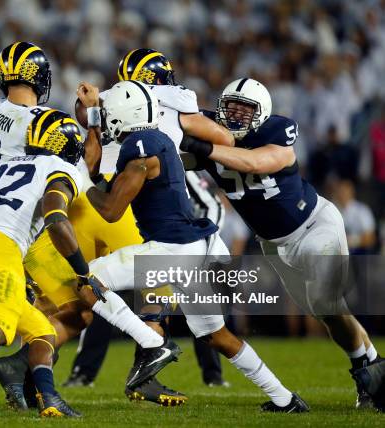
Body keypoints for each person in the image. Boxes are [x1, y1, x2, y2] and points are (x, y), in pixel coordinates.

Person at [81, 79, 308, 412]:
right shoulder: (155, 139)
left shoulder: (140, 148)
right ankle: (284, 398)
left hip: (171, 250)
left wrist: (82, 180)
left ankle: (152, 344)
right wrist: (93, 120)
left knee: (87, 282)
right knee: (216, 335)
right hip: (196, 247)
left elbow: (111, 211)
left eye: (107, 113)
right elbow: (110, 186)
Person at [0, 42, 182, 409]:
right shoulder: (41, 119)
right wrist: (89, 117)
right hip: (59, 216)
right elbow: (85, 162)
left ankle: (20, 370)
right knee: (148, 281)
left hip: (8, 220)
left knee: (72, 309)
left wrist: (86, 116)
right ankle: (150, 359)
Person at [181, 77, 381, 408]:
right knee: (325, 311)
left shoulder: (276, 133)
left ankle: (367, 369)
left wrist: (203, 147)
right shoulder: (213, 133)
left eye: (245, 110)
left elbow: (256, 162)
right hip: (273, 244)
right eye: (230, 106)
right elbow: (174, 154)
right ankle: (372, 366)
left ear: (262, 114)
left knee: (326, 301)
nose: (235, 115)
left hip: (314, 226)